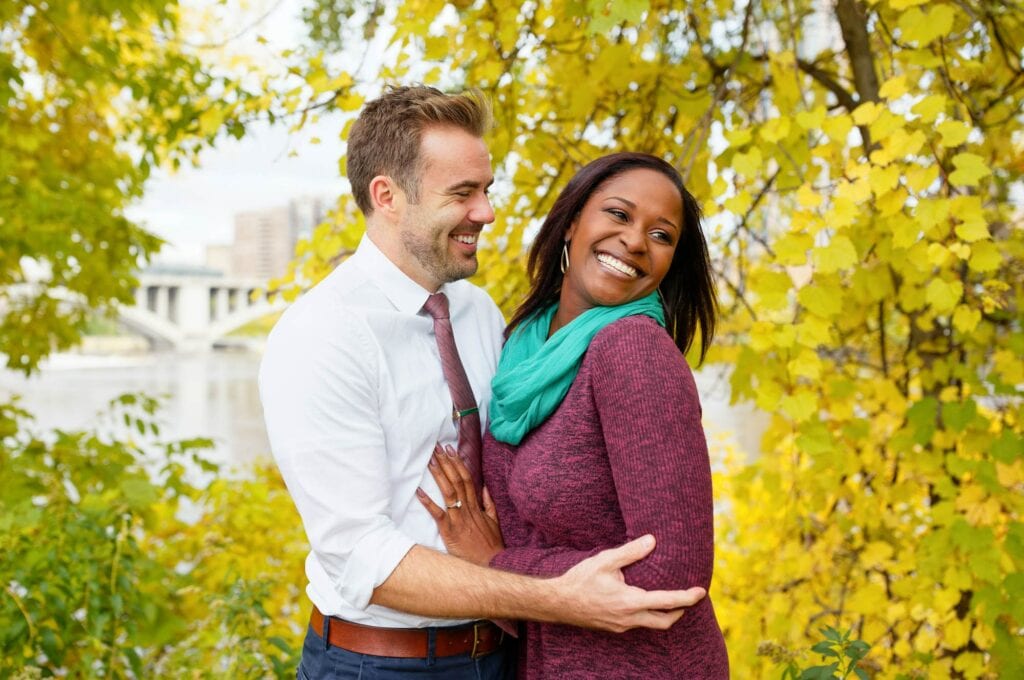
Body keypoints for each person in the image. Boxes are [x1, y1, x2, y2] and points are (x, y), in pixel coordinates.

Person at [259, 87, 709, 680]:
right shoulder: (323, 335)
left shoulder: (482, 317)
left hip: (507, 653)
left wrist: (504, 565)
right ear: (387, 196)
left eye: (486, 190)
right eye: (462, 193)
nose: (487, 212)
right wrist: (543, 590)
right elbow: (360, 557)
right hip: (386, 665)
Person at [418, 152, 730, 678]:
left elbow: (676, 573)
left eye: (661, 235)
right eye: (618, 214)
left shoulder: (632, 351)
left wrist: (496, 564)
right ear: (570, 224)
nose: (634, 241)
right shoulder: (522, 344)